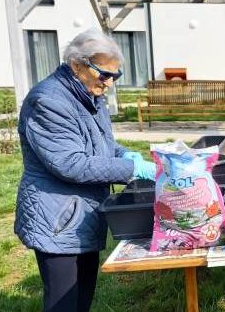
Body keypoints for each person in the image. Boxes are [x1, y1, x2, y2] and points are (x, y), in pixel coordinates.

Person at [15, 29, 156, 312]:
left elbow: (101, 146)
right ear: (77, 64)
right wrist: (131, 168)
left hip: (83, 215)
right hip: (57, 218)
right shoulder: (48, 101)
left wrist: (126, 154)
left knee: (82, 299)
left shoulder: (90, 97)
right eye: (104, 74)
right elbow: (71, 163)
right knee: (64, 303)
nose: (110, 83)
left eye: (116, 76)